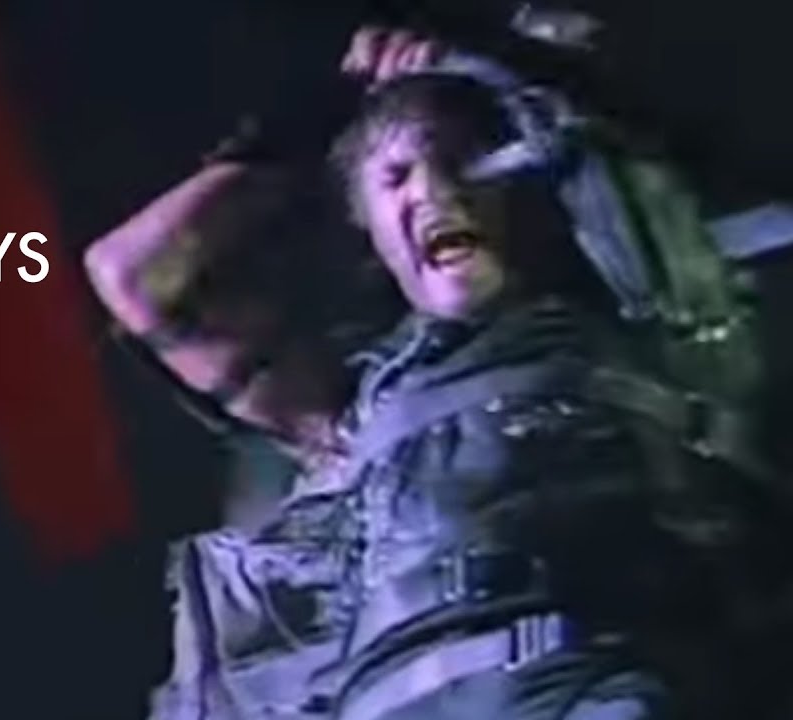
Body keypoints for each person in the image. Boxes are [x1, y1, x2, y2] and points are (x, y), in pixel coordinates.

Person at [84, 25, 788, 720]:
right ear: (368, 228)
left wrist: (491, 62)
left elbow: (614, 150)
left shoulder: (615, 324)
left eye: (462, 161)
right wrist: (327, 107)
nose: (433, 189)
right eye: (396, 178)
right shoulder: (351, 411)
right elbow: (134, 276)